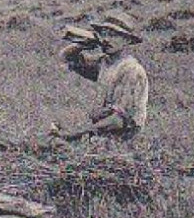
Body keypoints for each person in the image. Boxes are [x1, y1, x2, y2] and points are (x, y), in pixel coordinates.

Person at [51, 10, 149, 141]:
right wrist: (83, 44)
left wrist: (76, 134)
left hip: (124, 134)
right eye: (104, 34)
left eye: (114, 35)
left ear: (127, 40)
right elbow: (67, 57)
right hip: (104, 127)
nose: (107, 39)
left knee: (61, 141)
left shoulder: (131, 70)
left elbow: (119, 120)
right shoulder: (104, 62)